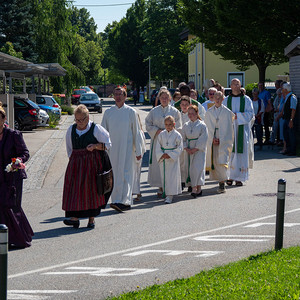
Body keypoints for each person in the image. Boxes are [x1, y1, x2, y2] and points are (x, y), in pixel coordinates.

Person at [63, 105, 112, 228]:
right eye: (77, 120)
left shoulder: (96, 129)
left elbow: (108, 144)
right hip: (76, 163)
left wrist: (95, 146)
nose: (80, 123)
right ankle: (74, 217)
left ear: (88, 117)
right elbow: (69, 148)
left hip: (92, 163)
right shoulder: (71, 130)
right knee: (74, 189)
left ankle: (91, 219)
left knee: (91, 190)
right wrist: (74, 162)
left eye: (82, 120)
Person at [102, 87, 144, 212]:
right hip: (113, 149)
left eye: (120, 94)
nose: (118, 96)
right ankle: (116, 200)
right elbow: (104, 132)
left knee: (126, 173)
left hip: (127, 148)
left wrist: (138, 150)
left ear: (125, 96)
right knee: (114, 174)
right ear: (113, 96)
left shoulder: (131, 112)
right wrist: (102, 149)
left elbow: (137, 131)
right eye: (116, 94)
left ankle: (125, 201)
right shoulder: (108, 112)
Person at [0, 102, 33, 248]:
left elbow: (25, 153)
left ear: (4, 119)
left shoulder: (13, 135)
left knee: (12, 206)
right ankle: (3, 239)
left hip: (13, 177)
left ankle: (19, 237)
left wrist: (18, 161)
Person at [145, 89, 182, 196]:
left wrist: (171, 132)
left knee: (170, 164)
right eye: (162, 98)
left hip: (171, 141)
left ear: (170, 98)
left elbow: (179, 126)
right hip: (158, 139)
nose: (164, 100)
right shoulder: (154, 111)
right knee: (159, 164)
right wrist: (157, 131)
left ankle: (170, 187)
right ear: (159, 99)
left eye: (166, 97)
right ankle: (160, 186)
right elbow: (148, 124)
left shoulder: (175, 111)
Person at [223, 78, 254, 186]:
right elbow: (223, 113)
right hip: (230, 130)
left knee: (241, 153)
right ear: (230, 86)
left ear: (240, 86)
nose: (235, 86)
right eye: (233, 84)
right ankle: (229, 177)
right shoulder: (226, 100)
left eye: (237, 84)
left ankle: (239, 177)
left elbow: (250, 114)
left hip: (241, 130)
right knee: (230, 153)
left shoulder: (246, 100)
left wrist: (237, 116)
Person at [205, 91, 234, 193]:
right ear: (213, 99)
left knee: (222, 161)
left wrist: (222, 139)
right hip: (212, 139)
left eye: (219, 98)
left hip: (223, 140)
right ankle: (219, 180)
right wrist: (211, 138)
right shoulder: (208, 112)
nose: (217, 99)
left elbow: (229, 129)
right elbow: (207, 128)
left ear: (223, 99)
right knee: (215, 161)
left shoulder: (228, 113)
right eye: (215, 97)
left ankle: (222, 183)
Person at [182, 105, 208, 197]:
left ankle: (197, 188)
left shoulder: (202, 125)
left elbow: (203, 138)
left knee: (197, 168)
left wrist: (195, 148)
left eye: (193, 113)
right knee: (190, 168)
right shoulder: (186, 125)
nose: (191, 115)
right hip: (189, 149)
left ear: (197, 113)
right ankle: (193, 187)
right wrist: (186, 148)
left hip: (199, 150)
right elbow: (183, 138)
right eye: (189, 114)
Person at [156, 116, 183, 204]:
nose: (168, 126)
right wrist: (162, 154)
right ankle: (165, 192)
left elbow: (180, 147)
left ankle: (170, 195)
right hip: (163, 157)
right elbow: (158, 146)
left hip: (172, 159)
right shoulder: (161, 134)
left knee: (172, 177)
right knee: (164, 176)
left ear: (174, 124)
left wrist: (171, 155)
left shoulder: (177, 135)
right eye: (166, 125)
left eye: (170, 124)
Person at [132, 114, 146, 201]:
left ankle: (137, 192)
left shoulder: (139, 132)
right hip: (132, 154)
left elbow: (142, 145)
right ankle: (135, 191)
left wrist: (139, 153)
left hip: (136, 155)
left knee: (136, 173)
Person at [281, 83, 297, 156]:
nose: (282, 90)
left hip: (289, 119)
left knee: (291, 135)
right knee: (286, 135)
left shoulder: (292, 97)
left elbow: (293, 109)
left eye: (283, 89)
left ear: (286, 89)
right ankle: (288, 149)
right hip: (286, 118)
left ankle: (292, 150)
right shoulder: (287, 97)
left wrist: (291, 120)